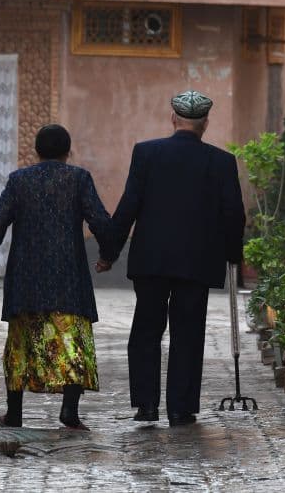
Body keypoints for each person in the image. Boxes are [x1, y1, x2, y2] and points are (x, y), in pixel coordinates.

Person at [105, 90, 246, 427]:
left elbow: (129, 206)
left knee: (146, 331)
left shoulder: (146, 153)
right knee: (188, 334)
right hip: (196, 264)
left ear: (174, 120)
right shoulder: (221, 161)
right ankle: (181, 409)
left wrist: (109, 252)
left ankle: (146, 406)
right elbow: (234, 214)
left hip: (151, 260)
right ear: (205, 124)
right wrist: (233, 255)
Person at [0, 124, 118, 431]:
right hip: (69, 278)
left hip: (26, 280)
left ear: (35, 152)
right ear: (69, 152)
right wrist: (108, 255)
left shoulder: (18, 181)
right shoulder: (78, 179)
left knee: (20, 343)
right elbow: (101, 221)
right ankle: (69, 410)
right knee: (72, 343)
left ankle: (14, 413)